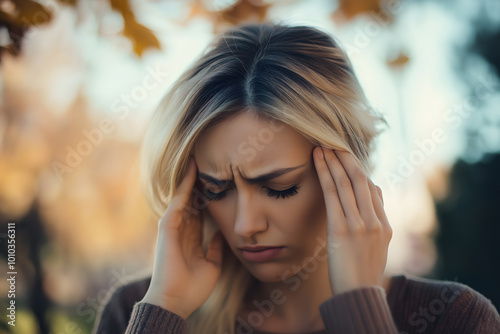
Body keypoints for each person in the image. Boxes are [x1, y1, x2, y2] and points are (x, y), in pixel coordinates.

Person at [92, 23, 500, 334]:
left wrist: (361, 309)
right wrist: (163, 313)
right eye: (217, 190)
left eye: (280, 187)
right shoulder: (136, 310)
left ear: (350, 168)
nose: (246, 225)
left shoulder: (452, 317)